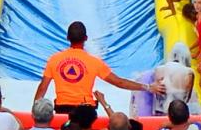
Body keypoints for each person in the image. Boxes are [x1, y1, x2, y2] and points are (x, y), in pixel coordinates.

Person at [35, 21, 164, 116]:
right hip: (86, 111)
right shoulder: (94, 62)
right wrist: (148, 87)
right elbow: (119, 82)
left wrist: (35, 110)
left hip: (62, 110)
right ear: (85, 38)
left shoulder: (54, 59)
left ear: (67, 38)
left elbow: (43, 87)